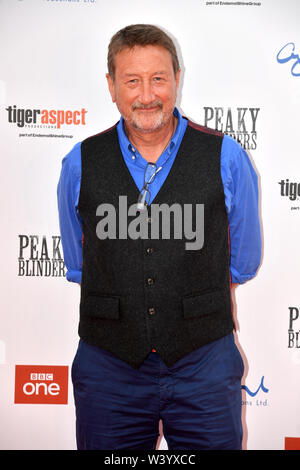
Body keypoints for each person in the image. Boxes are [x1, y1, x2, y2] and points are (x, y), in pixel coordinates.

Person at [57, 24, 261, 450]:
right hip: (108, 367)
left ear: (177, 79)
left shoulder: (226, 156)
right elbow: (79, 263)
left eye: (158, 78)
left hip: (204, 362)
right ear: (111, 86)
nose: (147, 94)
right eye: (132, 80)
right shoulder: (79, 162)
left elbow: (242, 260)